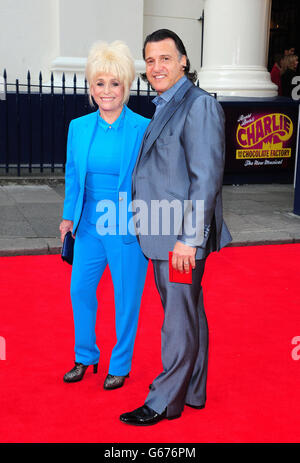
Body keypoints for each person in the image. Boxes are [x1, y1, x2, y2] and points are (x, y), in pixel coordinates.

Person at [120, 29, 232, 426]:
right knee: (187, 312)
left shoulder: (197, 105)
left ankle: (164, 401)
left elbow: (206, 179)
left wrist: (189, 239)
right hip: (161, 233)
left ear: (183, 60)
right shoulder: (164, 105)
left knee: (177, 320)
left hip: (179, 240)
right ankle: (194, 390)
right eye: (149, 61)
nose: (156, 67)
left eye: (165, 58)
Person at [59, 40, 149, 390]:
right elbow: (72, 174)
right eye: (100, 83)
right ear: (91, 86)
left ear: (126, 86)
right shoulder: (79, 127)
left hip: (126, 225)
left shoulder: (142, 127)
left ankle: (121, 364)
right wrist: (69, 217)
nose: (107, 91)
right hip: (89, 225)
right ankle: (85, 356)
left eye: (115, 83)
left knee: (126, 298)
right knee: (80, 289)